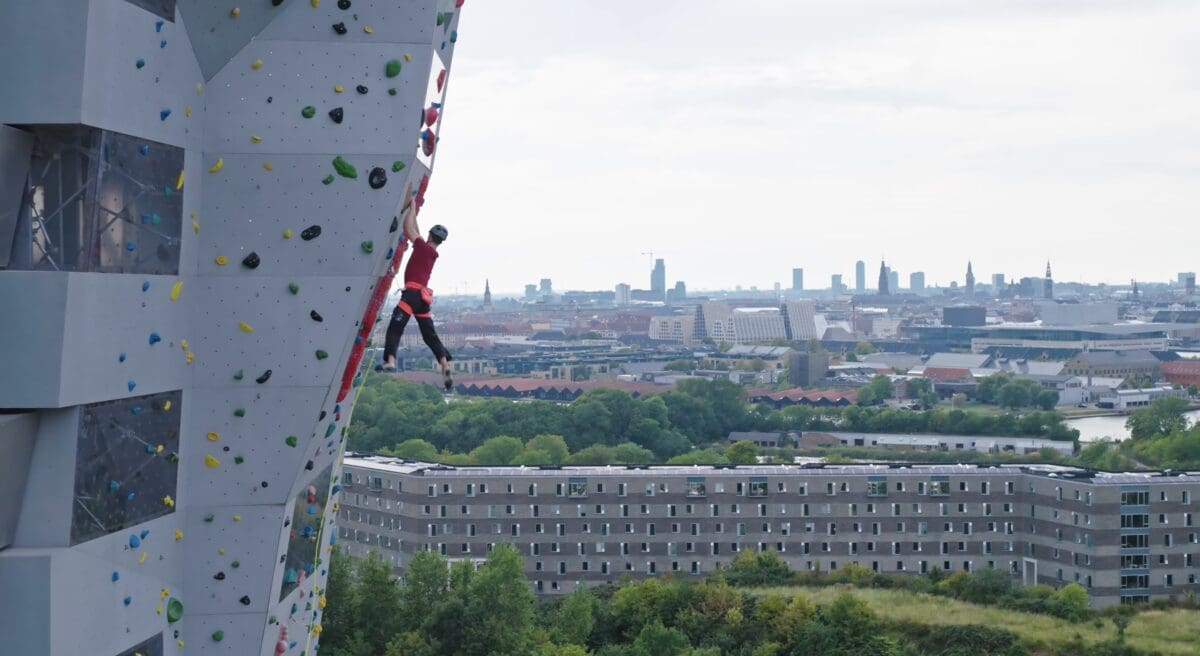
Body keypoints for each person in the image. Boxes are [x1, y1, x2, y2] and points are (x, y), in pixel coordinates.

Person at [378, 185, 453, 390]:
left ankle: (390, 361)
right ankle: (444, 364)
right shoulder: (430, 252)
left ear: (430, 235)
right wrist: (414, 209)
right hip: (423, 299)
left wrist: (411, 210)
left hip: (411, 295)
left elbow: (409, 230)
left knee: (395, 327)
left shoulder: (422, 248)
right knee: (430, 335)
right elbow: (416, 232)